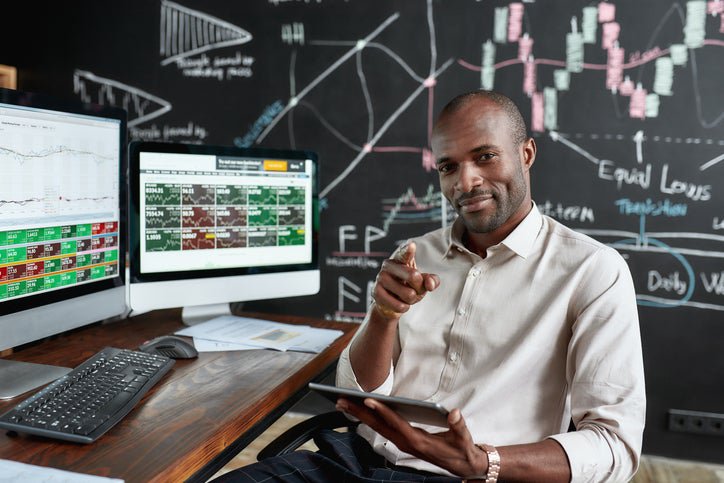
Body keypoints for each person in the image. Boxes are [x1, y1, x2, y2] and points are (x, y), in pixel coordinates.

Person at [215, 90, 646, 483]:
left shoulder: (593, 271)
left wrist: (485, 461)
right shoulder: (414, 255)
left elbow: (615, 446)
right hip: (355, 461)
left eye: (485, 157)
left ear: (526, 153)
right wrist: (383, 318)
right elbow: (356, 394)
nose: (466, 181)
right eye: (448, 166)